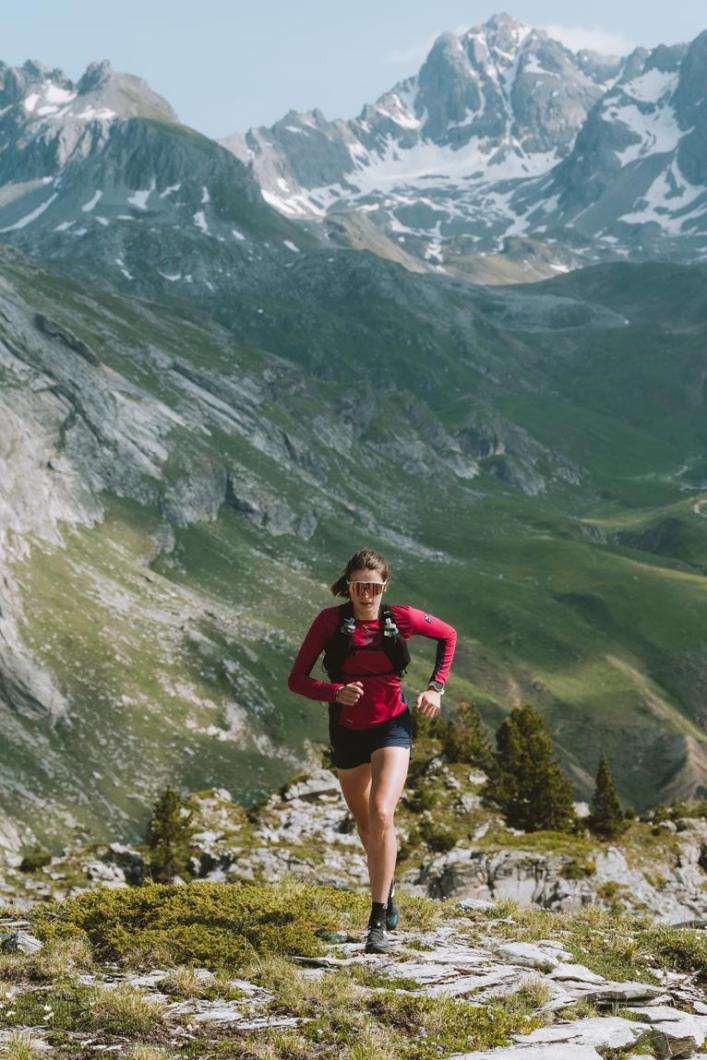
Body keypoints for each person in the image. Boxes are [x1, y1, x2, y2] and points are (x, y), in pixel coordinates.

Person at [287, 547, 457, 954]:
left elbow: (448, 635)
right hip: (347, 731)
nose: (366, 594)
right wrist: (334, 692)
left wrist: (436, 687)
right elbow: (297, 679)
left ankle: (376, 921)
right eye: (359, 586)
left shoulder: (401, 618)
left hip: (393, 725)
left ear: (385, 587)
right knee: (366, 825)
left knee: (382, 813)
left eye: (373, 587)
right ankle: (389, 888)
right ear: (348, 586)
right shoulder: (330, 622)